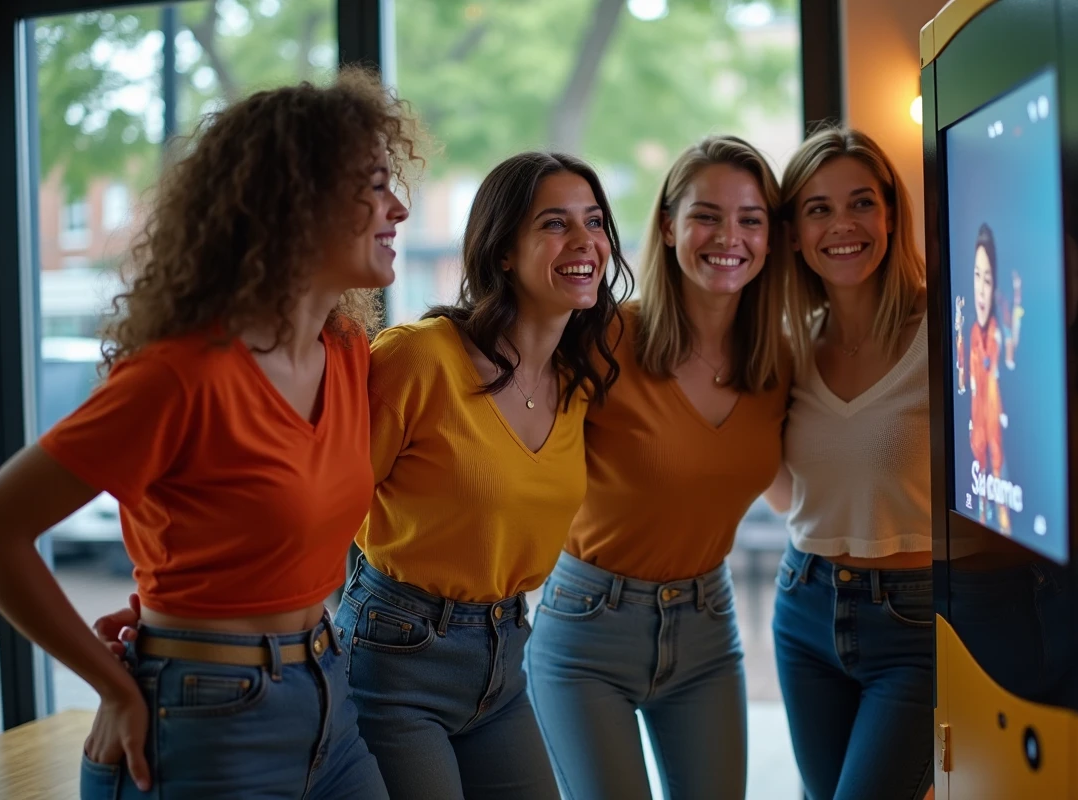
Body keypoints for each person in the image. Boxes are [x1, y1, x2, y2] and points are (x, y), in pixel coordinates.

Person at [0, 68, 419, 799]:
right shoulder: (181, 375)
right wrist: (115, 687)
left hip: (330, 697)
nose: (400, 208)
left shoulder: (347, 351)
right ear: (297, 202)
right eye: (375, 186)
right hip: (203, 723)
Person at [333, 151, 632, 798]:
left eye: (595, 221)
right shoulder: (421, 359)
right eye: (554, 224)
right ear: (502, 252)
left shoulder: (577, 380)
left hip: (505, 656)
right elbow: (325, 514)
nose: (585, 241)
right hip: (395, 654)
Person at [527, 135, 792, 800]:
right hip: (589, 630)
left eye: (751, 219)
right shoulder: (604, 337)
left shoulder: (780, 364)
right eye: (707, 215)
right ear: (670, 225)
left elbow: (799, 494)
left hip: (707, 627)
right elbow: (517, 436)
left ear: (770, 238)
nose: (728, 237)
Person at [764, 125, 933, 800]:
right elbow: (787, 491)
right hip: (804, 604)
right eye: (819, 209)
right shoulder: (791, 346)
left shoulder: (947, 331)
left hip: (916, 621)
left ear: (890, 214)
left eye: (862, 202)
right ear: (795, 234)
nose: (843, 225)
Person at [954, 222, 1023, 534]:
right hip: (975, 450)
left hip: (997, 447)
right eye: (976, 276)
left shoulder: (998, 332)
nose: (980, 290)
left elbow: (1009, 357)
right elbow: (961, 383)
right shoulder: (970, 334)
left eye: (987, 278)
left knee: (1003, 522)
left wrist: (1016, 302)